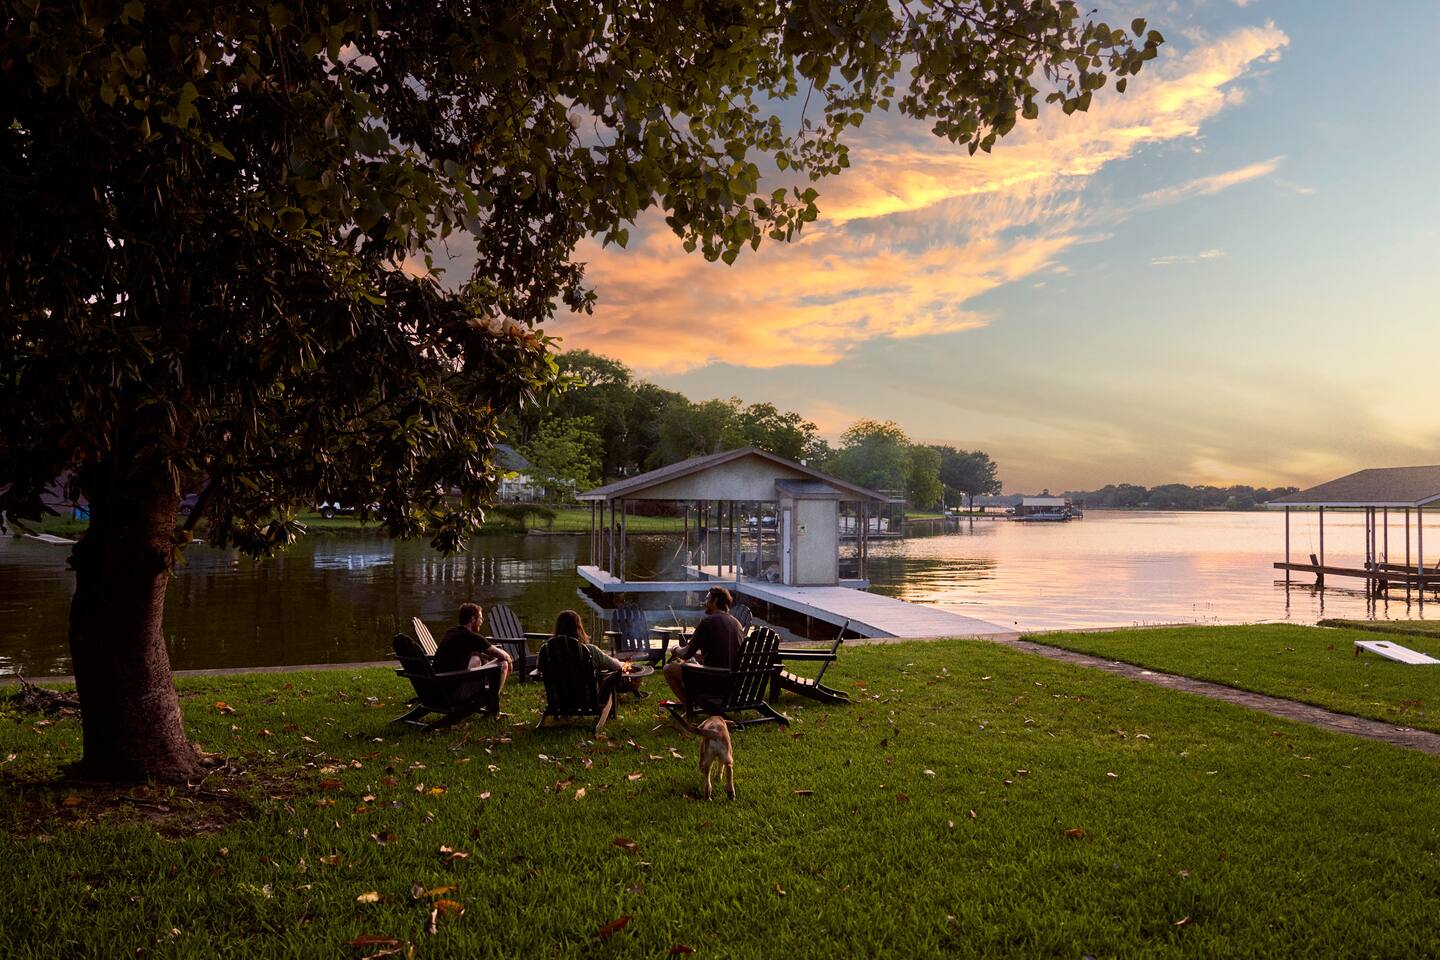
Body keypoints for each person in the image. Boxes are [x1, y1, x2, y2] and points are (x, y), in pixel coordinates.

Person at [663, 586, 744, 706]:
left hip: (714, 682)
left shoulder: (708, 622)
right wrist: (696, 657)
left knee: (668, 669)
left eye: (707, 599)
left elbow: (686, 653)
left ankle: (689, 705)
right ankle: (692, 702)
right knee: (690, 663)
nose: (704, 603)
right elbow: (722, 653)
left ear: (715, 601)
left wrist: (675, 649)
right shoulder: (736, 623)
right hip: (732, 683)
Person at [543, 611, 645, 697]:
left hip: (558, 701)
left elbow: (540, 669)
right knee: (611, 676)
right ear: (579, 628)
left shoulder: (546, 650)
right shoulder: (589, 650)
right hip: (587, 700)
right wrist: (621, 663)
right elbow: (615, 666)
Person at [435, 602, 512, 695]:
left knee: (476, 659)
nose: (482, 621)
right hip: (455, 692)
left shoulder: (451, 632)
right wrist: (509, 663)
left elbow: (469, 652)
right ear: (473, 619)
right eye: (480, 618)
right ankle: (493, 698)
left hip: (440, 686)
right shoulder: (472, 637)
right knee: (503, 664)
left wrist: (486, 656)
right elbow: (504, 656)